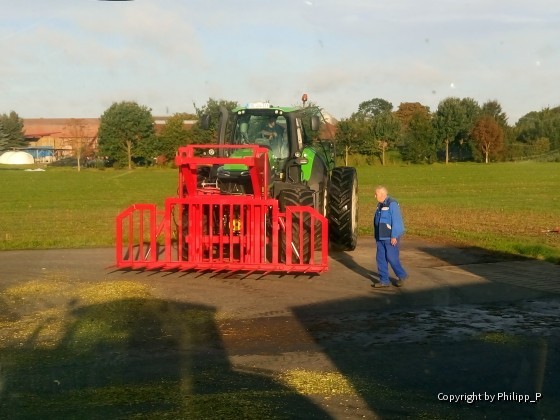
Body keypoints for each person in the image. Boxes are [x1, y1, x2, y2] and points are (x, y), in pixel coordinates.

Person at [372, 185, 408, 288]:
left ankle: (402, 275)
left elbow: (397, 221)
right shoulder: (380, 205)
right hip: (380, 237)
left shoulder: (392, 204)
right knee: (381, 259)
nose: (375, 196)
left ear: (382, 194)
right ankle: (384, 281)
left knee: (392, 258)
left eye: (376, 194)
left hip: (390, 237)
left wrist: (394, 236)